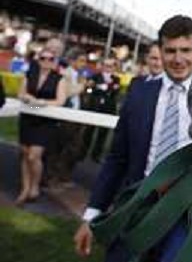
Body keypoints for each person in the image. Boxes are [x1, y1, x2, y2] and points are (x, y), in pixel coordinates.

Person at [73, 15, 192, 262]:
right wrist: (92, 214)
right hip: (137, 207)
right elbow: (117, 158)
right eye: (170, 50)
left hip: (189, 213)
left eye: (186, 50)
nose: (178, 59)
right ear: (160, 52)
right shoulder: (140, 92)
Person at [16, 47, 67, 204]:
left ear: (55, 62)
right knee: (25, 155)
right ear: (38, 60)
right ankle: (25, 188)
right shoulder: (29, 74)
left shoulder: (59, 79)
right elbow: (20, 93)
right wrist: (26, 98)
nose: (46, 62)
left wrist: (43, 103)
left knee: (34, 155)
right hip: (28, 119)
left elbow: (61, 101)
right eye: (43, 58)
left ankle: (34, 186)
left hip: (45, 122)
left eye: (50, 59)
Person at [46, 48, 89, 185]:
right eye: (81, 60)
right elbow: (66, 93)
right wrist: (82, 86)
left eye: (85, 61)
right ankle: (52, 177)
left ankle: (62, 175)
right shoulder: (65, 74)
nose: (84, 64)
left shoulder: (80, 76)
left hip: (77, 116)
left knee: (74, 148)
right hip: (65, 116)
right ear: (72, 61)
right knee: (59, 147)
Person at [83, 57, 121, 162]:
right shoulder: (95, 76)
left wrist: (106, 87)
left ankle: (96, 155)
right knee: (88, 131)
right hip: (94, 106)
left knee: (103, 134)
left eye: (111, 66)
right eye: (106, 65)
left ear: (114, 67)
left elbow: (115, 92)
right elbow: (89, 89)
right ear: (103, 66)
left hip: (108, 108)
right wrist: (98, 87)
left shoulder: (116, 79)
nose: (108, 68)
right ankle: (83, 152)